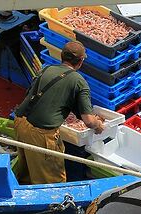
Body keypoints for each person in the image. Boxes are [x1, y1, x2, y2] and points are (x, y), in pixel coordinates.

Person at [13, 40, 105, 185]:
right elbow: (88, 120)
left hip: (20, 122)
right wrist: (98, 125)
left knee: (27, 171)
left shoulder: (46, 69)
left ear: (61, 56)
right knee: (52, 180)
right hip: (41, 135)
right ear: (80, 62)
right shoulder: (79, 82)